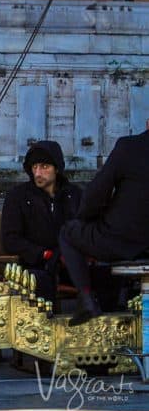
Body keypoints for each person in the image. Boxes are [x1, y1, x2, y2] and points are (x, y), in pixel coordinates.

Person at [59, 118, 149, 326]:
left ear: (146, 123)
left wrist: (84, 218)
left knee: (69, 232)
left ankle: (86, 298)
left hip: (122, 240)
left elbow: (97, 193)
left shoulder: (129, 147)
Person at [1, 140, 81, 302]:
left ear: (57, 168)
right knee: (39, 280)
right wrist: (45, 254)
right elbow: (11, 239)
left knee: (107, 274)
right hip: (34, 265)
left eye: (44, 167)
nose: (38, 173)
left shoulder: (74, 195)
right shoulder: (18, 197)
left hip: (71, 264)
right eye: (35, 167)